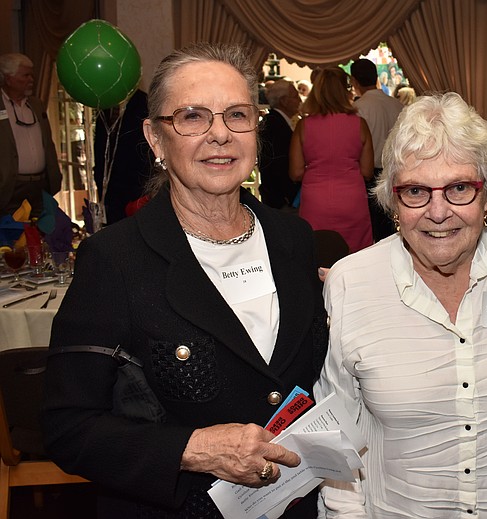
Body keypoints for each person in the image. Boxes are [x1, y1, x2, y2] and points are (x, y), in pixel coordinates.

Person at [42, 43, 326, 518]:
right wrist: (194, 450)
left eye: (237, 115)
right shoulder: (114, 259)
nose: (221, 135)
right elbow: (68, 427)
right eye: (193, 117)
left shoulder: (294, 238)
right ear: (155, 139)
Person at [314, 92, 487, 518]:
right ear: (394, 202)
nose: (438, 212)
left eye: (459, 188)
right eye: (416, 191)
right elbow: (335, 437)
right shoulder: (352, 281)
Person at [290, 67, 374, 252]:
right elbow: (367, 171)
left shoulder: (304, 125)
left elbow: (295, 173)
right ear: (345, 91)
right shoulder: (359, 124)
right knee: (355, 254)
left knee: (318, 251)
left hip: (315, 199)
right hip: (352, 198)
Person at [0, 52, 62, 215]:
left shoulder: (36, 105)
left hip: (40, 187)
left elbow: (48, 143)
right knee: (11, 230)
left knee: (42, 228)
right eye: (25, 75)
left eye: (32, 75)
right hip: (9, 188)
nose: (31, 80)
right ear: (8, 78)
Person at [349, 58, 404, 241]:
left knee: (376, 232)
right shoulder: (397, 105)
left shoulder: (357, 109)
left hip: (371, 176)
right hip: (395, 171)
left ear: (354, 81)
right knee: (395, 230)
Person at [93, 88, 152, 224]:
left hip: (135, 196)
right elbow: (100, 149)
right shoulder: (105, 106)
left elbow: (146, 154)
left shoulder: (144, 104)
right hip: (108, 197)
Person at [259, 79, 302, 209]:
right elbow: (279, 164)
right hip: (281, 199)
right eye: (295, 96)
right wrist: (288, 197)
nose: (300, 100)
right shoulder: (275, 124)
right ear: (284, 101)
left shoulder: (276, 121)